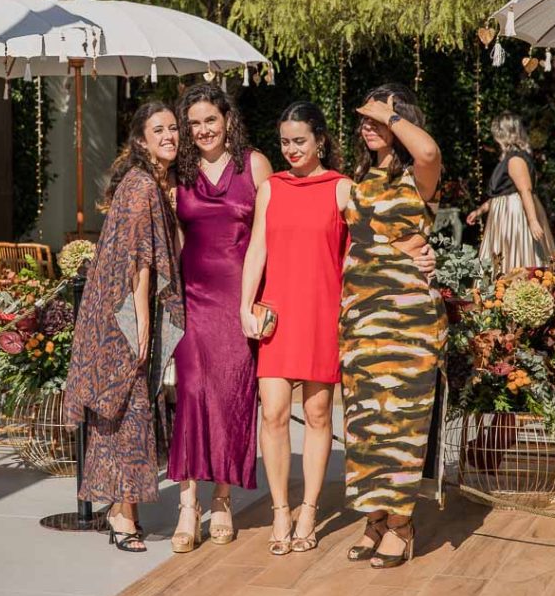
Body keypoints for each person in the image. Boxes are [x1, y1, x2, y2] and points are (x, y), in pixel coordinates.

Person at [239, 102, 437, 556]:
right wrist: (244, 305)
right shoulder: (270, 188)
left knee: (319, 415)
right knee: (271, 413)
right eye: (285, 141)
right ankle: (280, 510)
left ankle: (309, 510)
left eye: (300, 141)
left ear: (320, 140)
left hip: (327, 311)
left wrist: (421, 252)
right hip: (277, 312)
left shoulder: (344, 188)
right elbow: (257, 249)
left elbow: (377, 237)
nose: (291, 149)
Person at [63, 101, 185, 553]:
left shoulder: (148, 183)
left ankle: (124, 508)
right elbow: (139, 264)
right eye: (159, 130)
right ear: (141, 140)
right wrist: (142, 327)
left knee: (125, 411)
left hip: (114, 313)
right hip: (122, 316)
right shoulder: (141, 188)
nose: (170, 135)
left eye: (173, 128)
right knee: (126, 412)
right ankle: (120, 515)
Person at [337, 83, 447, 569]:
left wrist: (390, 114)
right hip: (360, 315)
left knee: (399, 422)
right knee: (363, 425)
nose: (368, 124)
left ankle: (401, 524)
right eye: (364, 118)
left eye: (379, 118)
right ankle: (373, 518)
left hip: (408, 321)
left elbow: (428, 149)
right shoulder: (357, 179)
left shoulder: (418, 176)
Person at [167, 83, 273, 552]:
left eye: (210, 119)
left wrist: (262, 301)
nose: (203, 129)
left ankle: (223, 498)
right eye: (194, 123)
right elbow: (172, 241)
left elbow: (272, 238)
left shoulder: (255, 165)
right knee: (191, 393)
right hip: (192, 298)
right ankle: (188, 503)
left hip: (239, 299)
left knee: (232, 394)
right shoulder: (180, 172)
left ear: (227, 118)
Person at [467, 112, 555, 270]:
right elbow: (501, 194)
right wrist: (480, 211)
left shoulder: (515, 159)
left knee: (516, 254)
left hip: (515, 212)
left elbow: (525, 191)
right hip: (505, 210)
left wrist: (532, 221)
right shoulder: (509, 158)